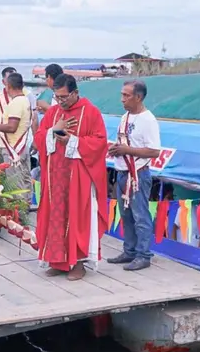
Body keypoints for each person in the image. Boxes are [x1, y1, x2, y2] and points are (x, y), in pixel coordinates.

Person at [35, 74, 110, 281]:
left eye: (64, 97)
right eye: (57, 97)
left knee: (77, 217)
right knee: (55, 217)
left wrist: (73, 141)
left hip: (78, 177)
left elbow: (100, 143)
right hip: (55, 177)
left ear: (75, 92)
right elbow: (39, 138)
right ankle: (57, 261)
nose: (61, 101)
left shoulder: (91, 112)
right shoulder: (53, 113)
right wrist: (54, 131)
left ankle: (78, 264)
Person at [107, 80, 161, 271]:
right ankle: (129, 250)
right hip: (122, 173)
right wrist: (115, 149)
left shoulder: (148, 120)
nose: (122, 99)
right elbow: (123, 143)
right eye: (122, 95)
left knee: (140, 216)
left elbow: (155, 151)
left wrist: (126, 149)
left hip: (138, 174)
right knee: (126, 215)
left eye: (126, 95)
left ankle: (143, 254)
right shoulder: (125, 117)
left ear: (138, 97)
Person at [0, 72, 33, 204]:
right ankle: (24, 209)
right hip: (21, 146)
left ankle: (19, 215)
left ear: (8, 86)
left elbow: (11, 127)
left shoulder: (16, 103)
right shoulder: (25, 100)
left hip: (13, 149)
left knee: (15, 184)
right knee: (24, 179)